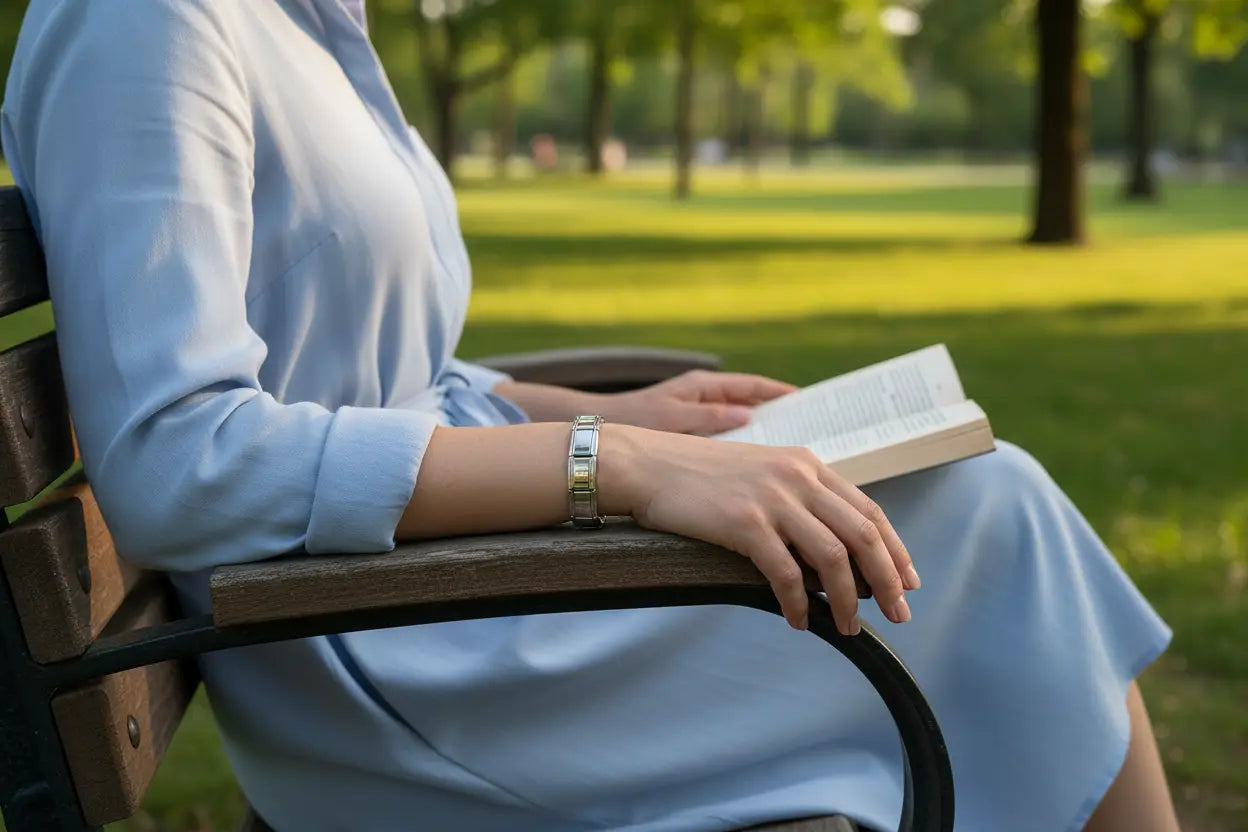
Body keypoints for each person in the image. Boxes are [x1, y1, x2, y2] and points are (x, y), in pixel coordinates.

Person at [0, 2, 1178, 831]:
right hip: (391, 651)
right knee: (987, 508)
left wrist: (622, 412)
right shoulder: (145, 19)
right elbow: (174, 457)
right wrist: (609, 460)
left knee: (965, 496)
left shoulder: (314, 23)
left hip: (443, 589)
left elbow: (383, 369)